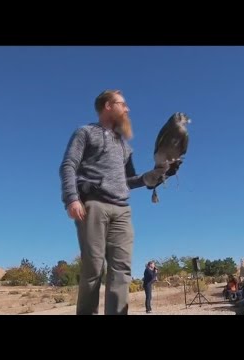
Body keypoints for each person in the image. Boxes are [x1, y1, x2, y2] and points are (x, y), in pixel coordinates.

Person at [59, 89, 168, 315]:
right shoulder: (85, 132)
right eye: (122, 104)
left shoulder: (125, 146)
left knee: (121, 271)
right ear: (108, 105)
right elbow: (68, 165)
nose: (127, 109)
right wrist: (71, 198)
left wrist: (153, 176)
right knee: (93, 270)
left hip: (122, 210)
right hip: (93, 205)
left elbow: (130, 180)